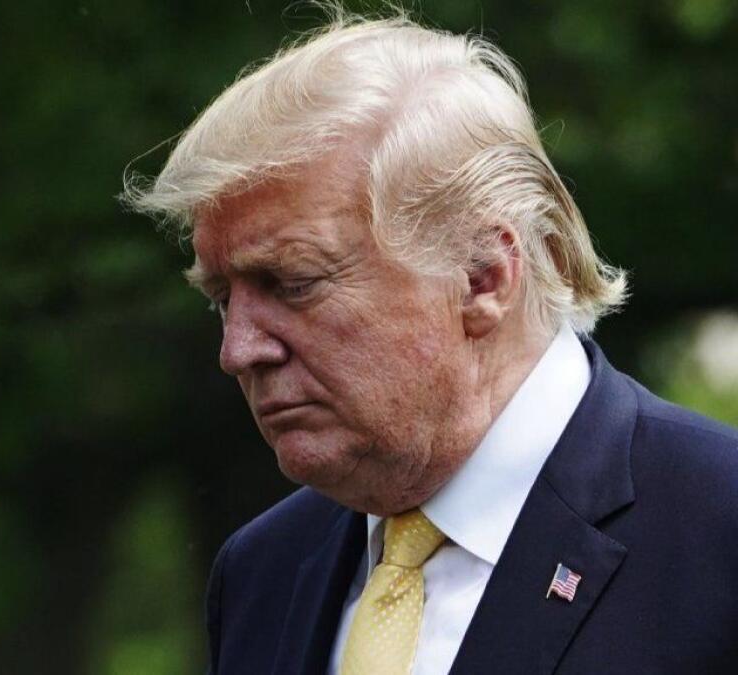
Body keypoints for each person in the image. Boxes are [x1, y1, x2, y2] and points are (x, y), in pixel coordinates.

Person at [121, 10, 738, 675]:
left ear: (483, 276)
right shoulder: (262, 571)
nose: (238, 349)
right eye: (222, 299)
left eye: (293, 282)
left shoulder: (717, 532)